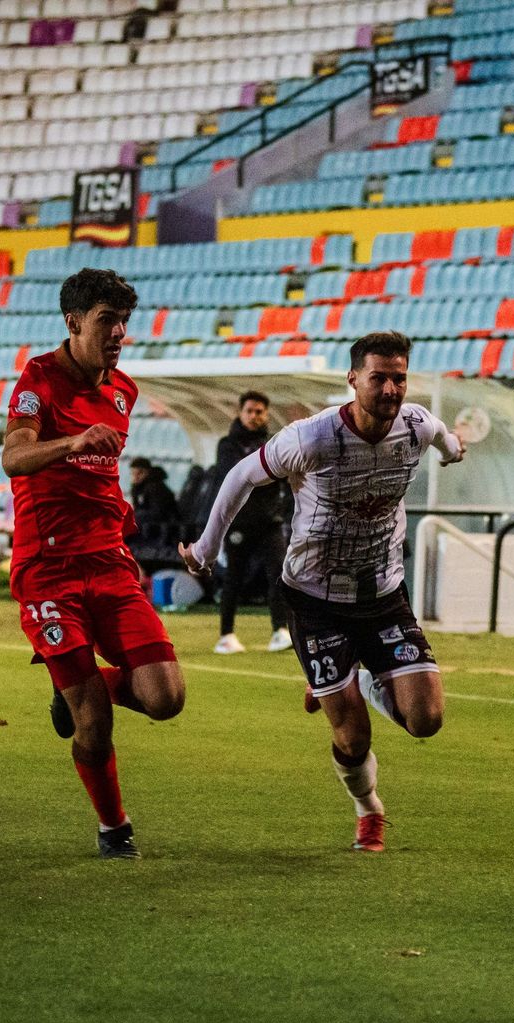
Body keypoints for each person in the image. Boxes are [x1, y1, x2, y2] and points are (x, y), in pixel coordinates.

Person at [180, 331, 466, 853]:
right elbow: (242, 476)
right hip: (315, 600)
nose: (390, 388)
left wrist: (452, 450)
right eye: (378, 377)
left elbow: (443, 434)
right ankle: (369, 809)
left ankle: (364, 677)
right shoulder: (311, 439)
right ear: (353, 379)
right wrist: (203, 548)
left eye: (399, 378)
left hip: (382, 593)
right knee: (353, 737)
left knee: (426, 721)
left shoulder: (416, 425)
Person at [1, 268, 186, 860]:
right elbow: (14, 456)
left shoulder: (124, 391)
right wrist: (72, 442)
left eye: (124, 322)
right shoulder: (38, 381)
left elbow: (103, 482)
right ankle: (114, 827)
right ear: (74, 322)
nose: (120, 333)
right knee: (95, 720)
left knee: (165, 697)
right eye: (108, 320)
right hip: (48, 570)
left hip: (109, 563)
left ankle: (77, 690)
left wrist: (127, 540)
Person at [209, 390, 294, 655]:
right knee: (234, 578)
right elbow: (234, 475)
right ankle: (226, 635)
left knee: (279, 574)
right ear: (240, 413)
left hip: (269, 521)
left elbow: (281, 475)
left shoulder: (273, 443)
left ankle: (280, 630)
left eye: (260, 412)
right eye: (250, 411)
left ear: (266, 415)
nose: (255, 416)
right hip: (239, 522)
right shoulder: (227, 444)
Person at [126, 457, 179, 573]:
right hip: (149, 526)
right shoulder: (139, 488)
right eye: (133, 473)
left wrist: (133, 516)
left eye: (139, 473)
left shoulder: (155, 487)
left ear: (147, 472)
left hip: (163, 529)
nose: (135, 477)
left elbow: (158, 513)